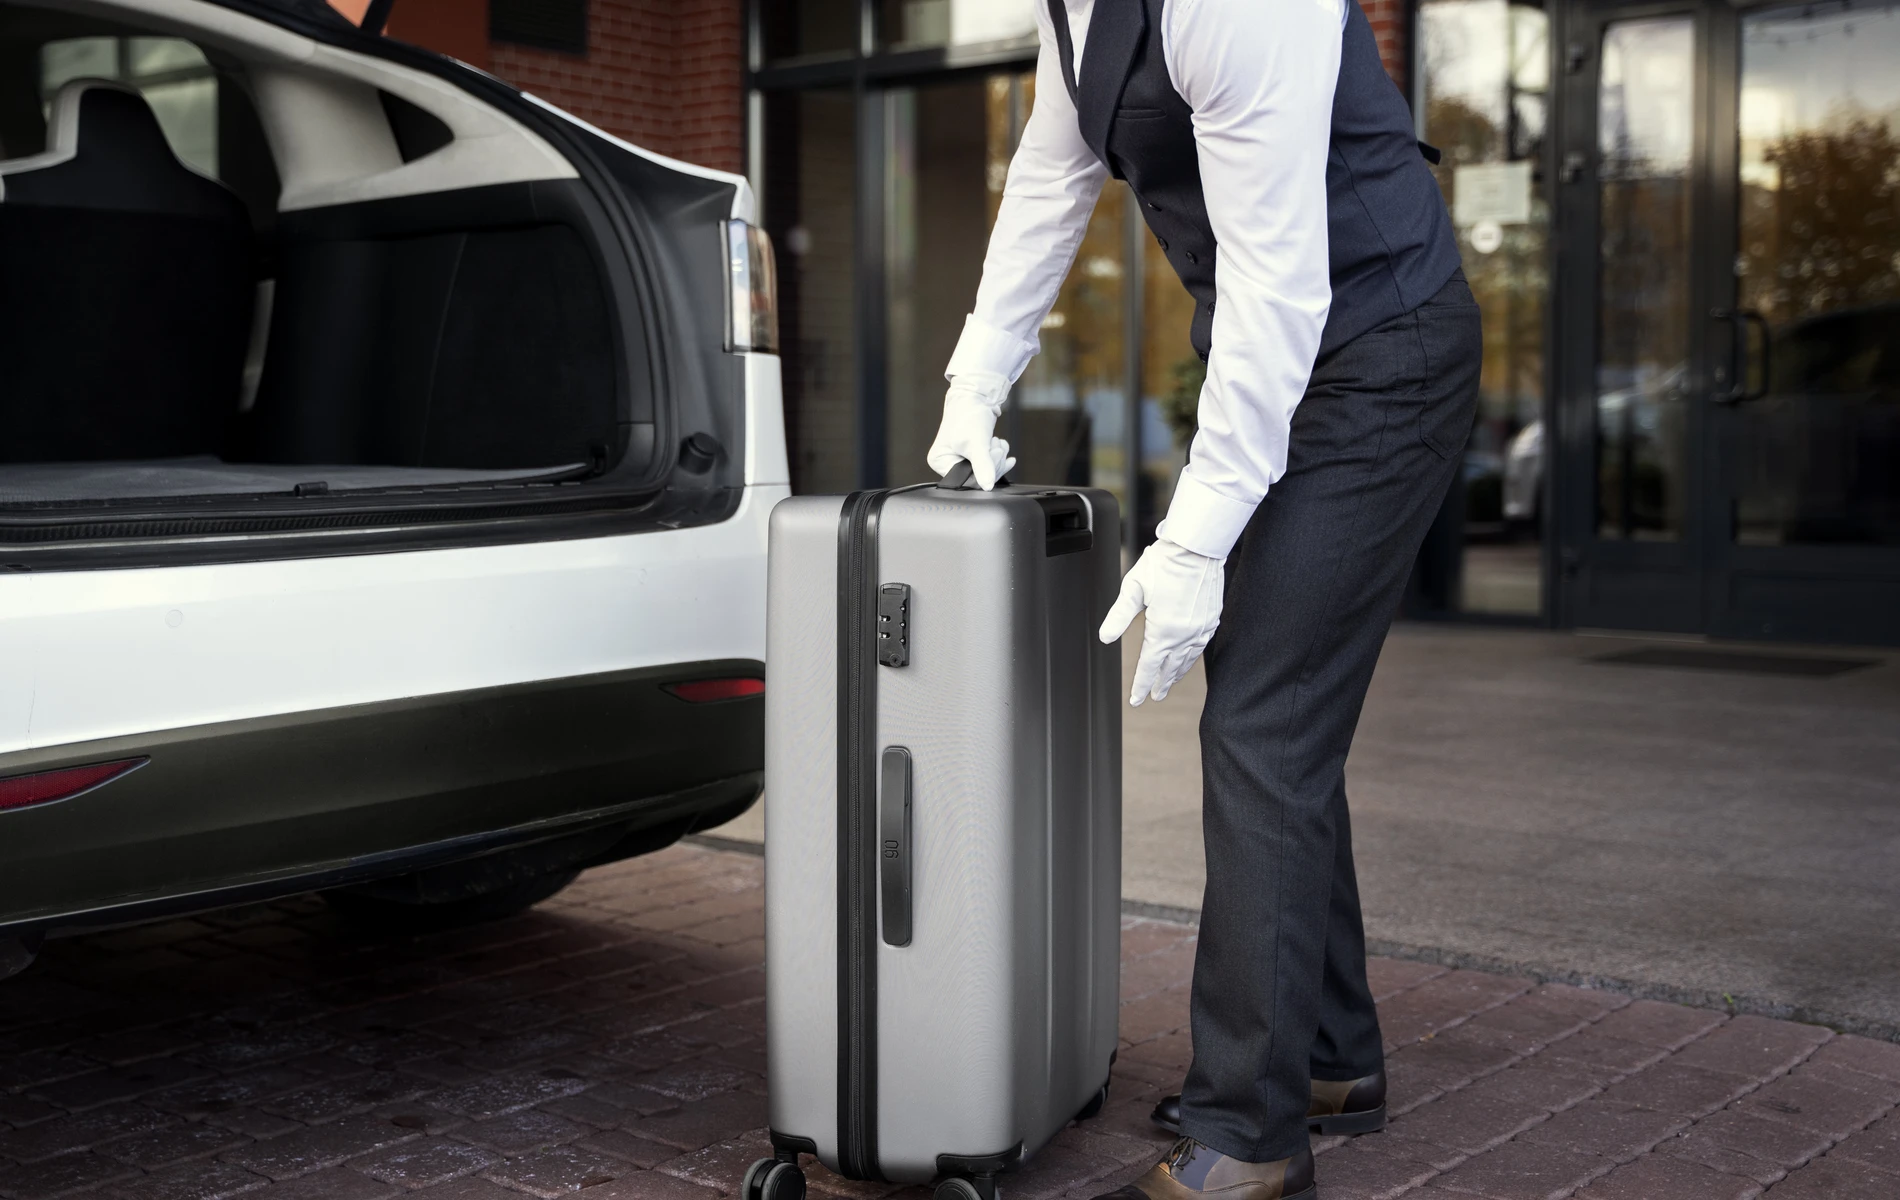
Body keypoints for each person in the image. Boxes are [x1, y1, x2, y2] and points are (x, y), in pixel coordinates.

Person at [925, 0, 1480, 1196]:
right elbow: (1048, 180)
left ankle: (1253, 1137)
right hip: (1287, 357)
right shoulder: (1072, 12)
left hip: (1381, 355)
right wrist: (977, 381)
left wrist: (1192, 543)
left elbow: (1280, 288)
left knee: (1262, 722)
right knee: (1269, 712)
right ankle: (1326, 1056)